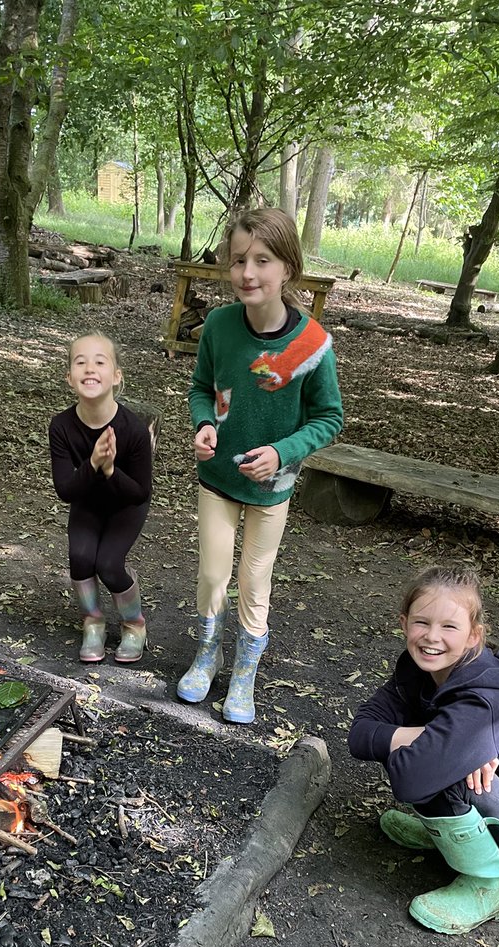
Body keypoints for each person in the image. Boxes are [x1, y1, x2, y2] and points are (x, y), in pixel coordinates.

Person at [348, 565, 499, 935]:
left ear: (473, 636)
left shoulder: (484, 699)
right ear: (403, 623)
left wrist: (434, 747)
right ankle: (448, 833)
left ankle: (491, 882)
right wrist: (431, 736)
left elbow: (409, 781)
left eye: (449, 626)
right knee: (439, 757)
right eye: (421, 622)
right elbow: (359, 735)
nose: (432, 637)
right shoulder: (420, 670)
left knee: (440, 771)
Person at [178, 207, 344, 723]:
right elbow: (202, 388)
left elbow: (328, 418)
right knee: (212, 574)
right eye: (238, 261)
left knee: (254, 580)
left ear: (287, 268)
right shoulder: (220, 327)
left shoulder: (313, 346)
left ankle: (244, 674)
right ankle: (208, 654)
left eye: (262, 260)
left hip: (274, 487)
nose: (247, 273)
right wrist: (203, 424)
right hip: (218, 479)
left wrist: (282, 452)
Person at [49, 332, 152, 664]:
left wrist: (109, 470)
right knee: (80, 558)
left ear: (116, 376)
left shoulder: (133, 429)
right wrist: (93, 464)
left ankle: (134, 625)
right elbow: (66, 490)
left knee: (108, 565)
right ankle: (93, 622)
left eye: (99, 361)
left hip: (126, 505)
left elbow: (140, 492)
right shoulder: (62, 426)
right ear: (69, 377)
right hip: (87, 502)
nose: (89, 368)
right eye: (80, 362)